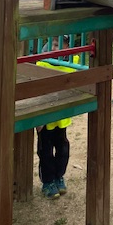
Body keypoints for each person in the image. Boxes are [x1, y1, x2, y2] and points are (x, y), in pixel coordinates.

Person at [36, 36, 76, 199]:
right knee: (45, 151)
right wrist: (39, 119)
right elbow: (37, 93)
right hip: (45, 119)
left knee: (63, 149)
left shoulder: (72, 62)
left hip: (61, 117)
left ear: (67, 47)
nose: (55, 48)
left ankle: (59, 176)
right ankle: (47, 182)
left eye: (60, 45)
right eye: (53, 44)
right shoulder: (43, 63)